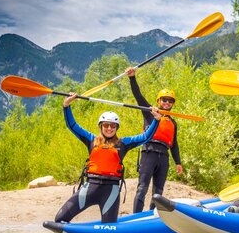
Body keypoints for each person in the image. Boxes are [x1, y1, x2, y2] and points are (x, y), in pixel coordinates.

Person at [54, 93, 162, 223]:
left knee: (109, 227)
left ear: (117, 128)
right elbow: (73, 126)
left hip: (111, 191)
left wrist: (156, 120)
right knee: (60, 218)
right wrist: (66, 105)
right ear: (100, 126)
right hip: (90, 187)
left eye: (113, 126)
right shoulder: (91, 139)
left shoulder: (123, 143)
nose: (109, 128)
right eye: (106, 125)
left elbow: (145, 137)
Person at [126, 67, 183, 213]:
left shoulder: (173, 123)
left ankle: (151, 216)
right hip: (149, 153)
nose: (167, 102)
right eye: (164, 100)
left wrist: (178, 162)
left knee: (158, 192)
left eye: (170, 101)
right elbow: (138, 96)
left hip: (163, 156)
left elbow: (174, 145)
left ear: (173, 103)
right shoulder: (150, 113)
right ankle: (136, 216)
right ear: (159, 100)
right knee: (142, 188)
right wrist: (132, 77)